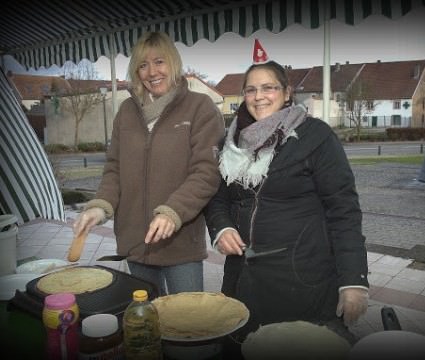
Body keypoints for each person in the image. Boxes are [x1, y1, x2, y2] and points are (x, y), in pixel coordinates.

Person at [205, 59, 369, 354]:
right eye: (251, 89)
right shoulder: (231, 141)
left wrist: (353, 280)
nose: (259, 96)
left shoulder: (315, 136)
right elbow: (217, 197)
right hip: (243, 278)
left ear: (287, 92)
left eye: (269, 87)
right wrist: (222, 227)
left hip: (301, 277)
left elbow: (343, 210)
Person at [73, 32, 225, 295]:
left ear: (174, 63)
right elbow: (114, 168)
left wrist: (172, 211)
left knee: (187, 325)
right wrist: (100, 207)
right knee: (147, 323)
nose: (152, 71)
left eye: (159, 62)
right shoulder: (126, 112)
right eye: (143, 65)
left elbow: (206, 172)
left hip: (179, 243)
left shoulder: (200, 107)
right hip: (134, 242)